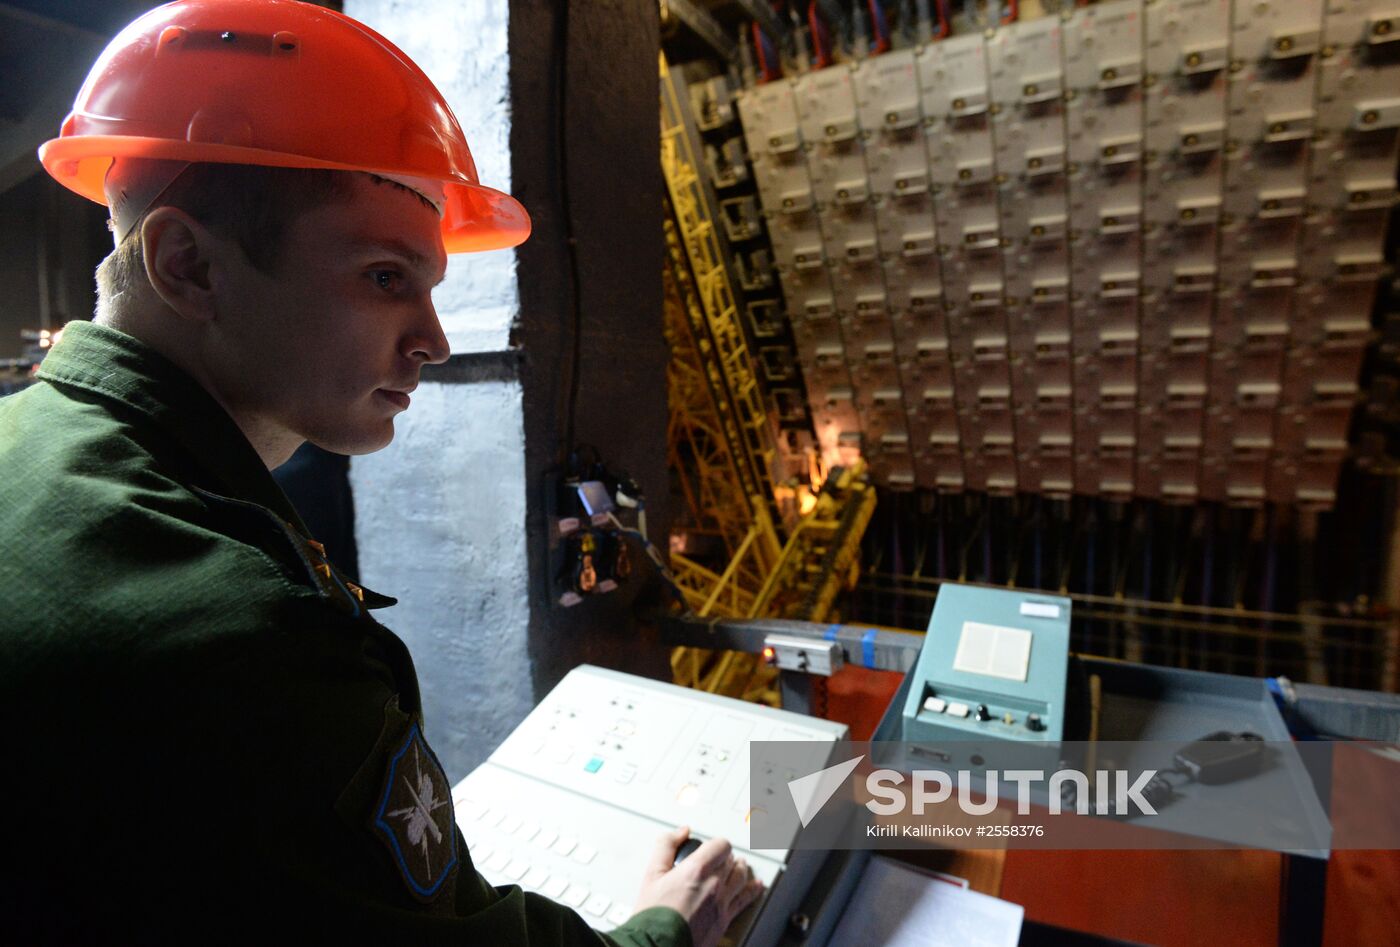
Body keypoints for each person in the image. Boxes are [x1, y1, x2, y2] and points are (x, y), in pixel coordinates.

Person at [0, 0, 761, 942]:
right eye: (386, 278)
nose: (436, 343)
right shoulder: (234, 630)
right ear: (189, 265)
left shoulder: (27, 447)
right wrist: (666, 926)